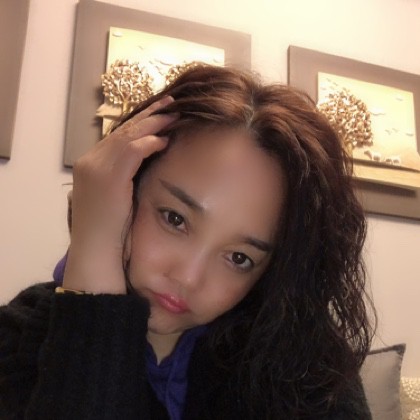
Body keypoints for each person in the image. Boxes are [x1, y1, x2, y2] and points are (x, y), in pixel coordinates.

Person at [0, 65, 374, 419]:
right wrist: (94, 268)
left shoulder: (309, 368)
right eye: (175, 219)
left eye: (239, 258)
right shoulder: (21, 335)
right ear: (127, 186)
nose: (189, 277)